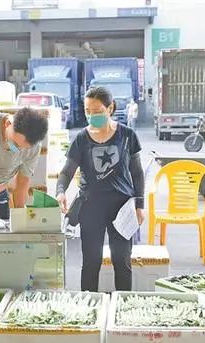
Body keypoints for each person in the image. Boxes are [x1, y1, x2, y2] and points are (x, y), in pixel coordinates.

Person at [56, 86, 145, 291]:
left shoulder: (127, 136)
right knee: (90, 263)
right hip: (91, 208)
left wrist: (140, 205)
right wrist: (60, 192)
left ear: (110, 108)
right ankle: (90, 307)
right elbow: (67, 171)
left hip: (121, 209)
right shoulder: (81, 138)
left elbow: (137, 173)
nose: (91, 116)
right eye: (88, 111)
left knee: (122, 261)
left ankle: (122, 307)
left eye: (97, 111)